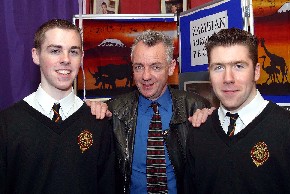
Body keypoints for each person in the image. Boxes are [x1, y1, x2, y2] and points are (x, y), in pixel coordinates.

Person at [0, 19, 115, 193]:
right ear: (36, 55)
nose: (66, 60)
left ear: (82, 58)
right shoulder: (7, 124)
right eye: (55, 51)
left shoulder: (98, 122)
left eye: (74, 52)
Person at [185, 28, 290, 194]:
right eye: (218, 67)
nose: (228, 78)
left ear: (257, 71)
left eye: (238, 66)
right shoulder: (199, 131)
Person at [104, 30, 211, 194]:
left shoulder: (195, 107)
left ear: (171, 67)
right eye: (139, 67)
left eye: (155, 67)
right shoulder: (114, 111)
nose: (146, 76)